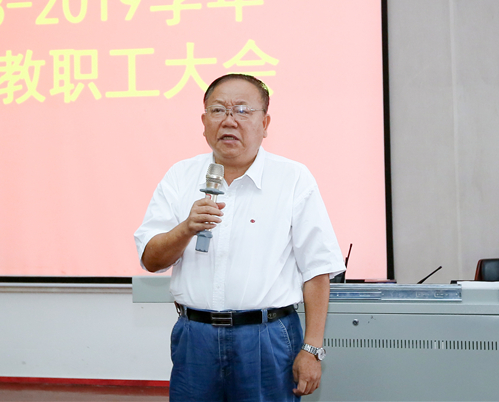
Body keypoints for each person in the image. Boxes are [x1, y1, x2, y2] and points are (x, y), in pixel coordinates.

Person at [134, 74, 345, 401]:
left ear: (265, 123)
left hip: (266, 337)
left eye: (243, 110)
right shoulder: (180, 176)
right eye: (218, 110)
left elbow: (317, 271)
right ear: (204, 122)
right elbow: (151, 259)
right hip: (195, 337)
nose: (229, 120)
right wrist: (186, 228)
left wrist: (312, 349)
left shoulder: (292, 178)